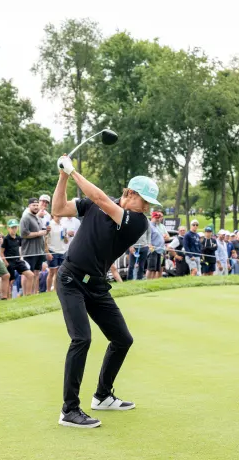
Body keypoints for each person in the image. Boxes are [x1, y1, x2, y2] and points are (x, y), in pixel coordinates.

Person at [51, 153, 159, 429]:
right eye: (145, 201)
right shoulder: (95, 204)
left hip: (96, 284)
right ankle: (69, 410)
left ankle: (102, 396)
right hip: (70, 279)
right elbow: (59, 209)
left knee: (122, 339)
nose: (147, 207)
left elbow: (100, 199)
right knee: (81, 339)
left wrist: (73, 171)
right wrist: (63, 176)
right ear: (131, 194)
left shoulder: (137, 221)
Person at [21, 198, 50, 296]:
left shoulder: (38, 217)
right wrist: (38, 233)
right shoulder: (26, 218)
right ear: (29, 206)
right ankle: (26, 295)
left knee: (37, 273)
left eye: (37, 205)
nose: (36, 207)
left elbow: (41, 231)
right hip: (29, 251)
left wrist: (46, 231)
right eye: (33, 205)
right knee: (28, 273)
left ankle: (34, 294)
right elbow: (24, 234)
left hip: (39, 250)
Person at [0, 219, 37, 296]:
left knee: (31, 275)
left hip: (18, 261)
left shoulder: (19, 238)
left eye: (15, 227)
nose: (14, 229)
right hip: (9, 262)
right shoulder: (6, 239)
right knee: (10, 280)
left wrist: (20, 258)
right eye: (12, 227)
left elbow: (20, 248)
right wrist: (6, 262)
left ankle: (28, 295)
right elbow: (1, 252)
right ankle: (6, 297)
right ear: (8, 228)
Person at [46, 213, 69, 292]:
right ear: (53, 215)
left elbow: (66, 241)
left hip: (62, 251)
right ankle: (48, 290)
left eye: (60, 215)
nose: (59, 216)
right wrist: (47, 252)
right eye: (57, 215)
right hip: (52, 251)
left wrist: (66, 237)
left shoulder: (63, 225)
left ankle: (56, 290)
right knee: (51, 272)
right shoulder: (49, 225)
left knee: (59, 272)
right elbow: (45, 239)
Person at [146, 211, 169, 280]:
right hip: (153, 250)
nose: (157, 219)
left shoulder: (157, 226)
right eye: (156, 218)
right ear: (152, 217)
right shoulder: (150, 226)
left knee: (155, 269)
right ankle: (147, 282)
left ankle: (152, 282)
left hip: (159, 250)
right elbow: (148, 238)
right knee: (151, 268)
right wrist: (151, 248)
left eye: (158, 218)